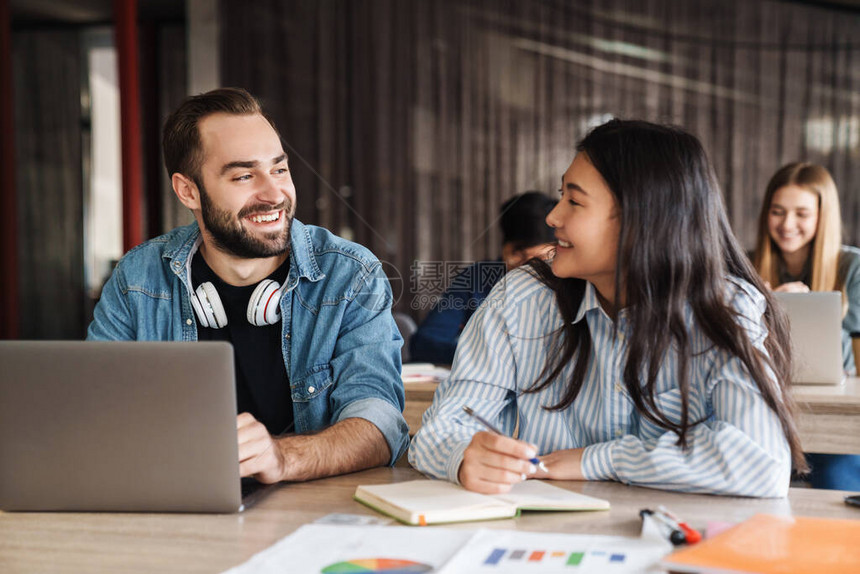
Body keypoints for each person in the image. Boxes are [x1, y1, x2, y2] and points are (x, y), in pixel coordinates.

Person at [409, 119, 807, 498]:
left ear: (641, 220)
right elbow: (436, 434)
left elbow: (761, 462)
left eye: (574, 201)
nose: (553, 216)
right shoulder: (522, 296)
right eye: (560, 195)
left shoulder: (721, 308)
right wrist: (464, 457)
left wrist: (598, 459)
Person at [88, 88, 409, 484]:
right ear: (188, 191)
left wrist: (282, 458)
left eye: (279, 169)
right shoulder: (137, 278)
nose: (274, 194)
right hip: (177, 501)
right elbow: (97, 413)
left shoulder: (351, 275)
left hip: (305, 512)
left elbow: (379, 426)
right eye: (244, 176)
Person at [753, 162, 860, 491]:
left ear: (821, 216)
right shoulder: (746, 264)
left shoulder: (851, 266)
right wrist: (762, 309)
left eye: (801, 214)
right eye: (778, 211)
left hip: (831, 412)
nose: (787, 224)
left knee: (834, 478)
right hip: (765, 407)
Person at [409, 192, 556, 364]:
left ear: (556, 251)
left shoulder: (568, 283)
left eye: (538, 260)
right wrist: (494, 355)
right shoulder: (477, 278)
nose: (525, 267)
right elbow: (424, 344)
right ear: (503, 248)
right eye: (517, 254)